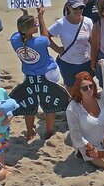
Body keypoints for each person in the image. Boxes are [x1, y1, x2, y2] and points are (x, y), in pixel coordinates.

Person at [9, 9, 68, 142]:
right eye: (34, 25)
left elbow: (21, 30)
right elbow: (46, 37)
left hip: (29, 75)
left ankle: (30, 132)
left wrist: (25, 15)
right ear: (30, 30)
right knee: (49, 103)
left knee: (30, 104)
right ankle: (48, 131)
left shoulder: (14, 40)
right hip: (47, 73)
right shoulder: (40, 42)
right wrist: (41, 16)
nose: (37, 26)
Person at [67, 72, 104, 169]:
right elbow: (75, 132)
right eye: (85, 88)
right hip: (86, 143)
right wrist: (90, 147)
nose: (89, 90)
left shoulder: (101, 98)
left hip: (103, 137)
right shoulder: (73, 108)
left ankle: (101, 150)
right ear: (79, 90)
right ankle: (81, 152)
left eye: (91, 86)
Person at [49, 0, 94, 87]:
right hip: (68, 64)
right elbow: (46, 36)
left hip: (86, 63)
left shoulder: (88, 21)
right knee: (71, 91)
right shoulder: (61, 24)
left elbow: (93, 41)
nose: (79, 10)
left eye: (81, 7)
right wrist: (57, 49)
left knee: (88, 89)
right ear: (68, 8)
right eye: (76, 8)